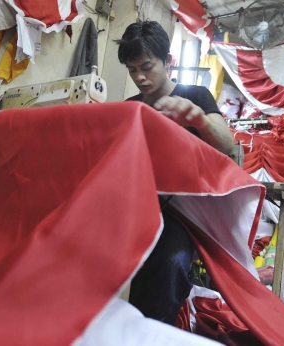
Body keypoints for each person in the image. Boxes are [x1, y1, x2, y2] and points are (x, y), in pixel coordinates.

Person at [115, 21, 235, 325]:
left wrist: (199, 120)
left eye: (147, 66)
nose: (140, 77)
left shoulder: (194, 95)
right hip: (138, 207)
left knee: (169, 263)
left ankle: (154, 331)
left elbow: (227, 144)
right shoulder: (130, 108)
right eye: (132, 70)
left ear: (168, 61)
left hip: (184, 213)